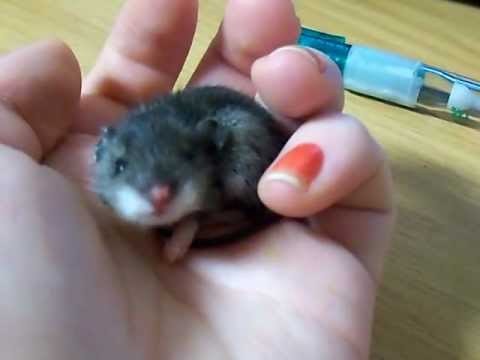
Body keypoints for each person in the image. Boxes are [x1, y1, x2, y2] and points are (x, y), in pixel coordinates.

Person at [0, 0, 394, 358]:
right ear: (102, 158)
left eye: (183, 162)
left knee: (254, 148)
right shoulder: (92, 169)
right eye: (122, 170)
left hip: (228, 142)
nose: (157, 195)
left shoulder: (204, 144)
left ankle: (236, 205)